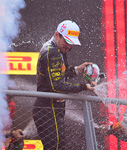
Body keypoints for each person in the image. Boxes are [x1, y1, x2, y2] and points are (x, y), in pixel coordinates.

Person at [33, 20, 95, 150]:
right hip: (48, 109)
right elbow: (57, 85)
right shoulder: (53, 52)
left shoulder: (57, 48)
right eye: (66, 41)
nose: (68, 46)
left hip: (50, 108)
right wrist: (84, 87)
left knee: (58, 147)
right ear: (57, 35)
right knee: (56, 148)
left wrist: (78, 69)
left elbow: (61, 74)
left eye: (71, 43)